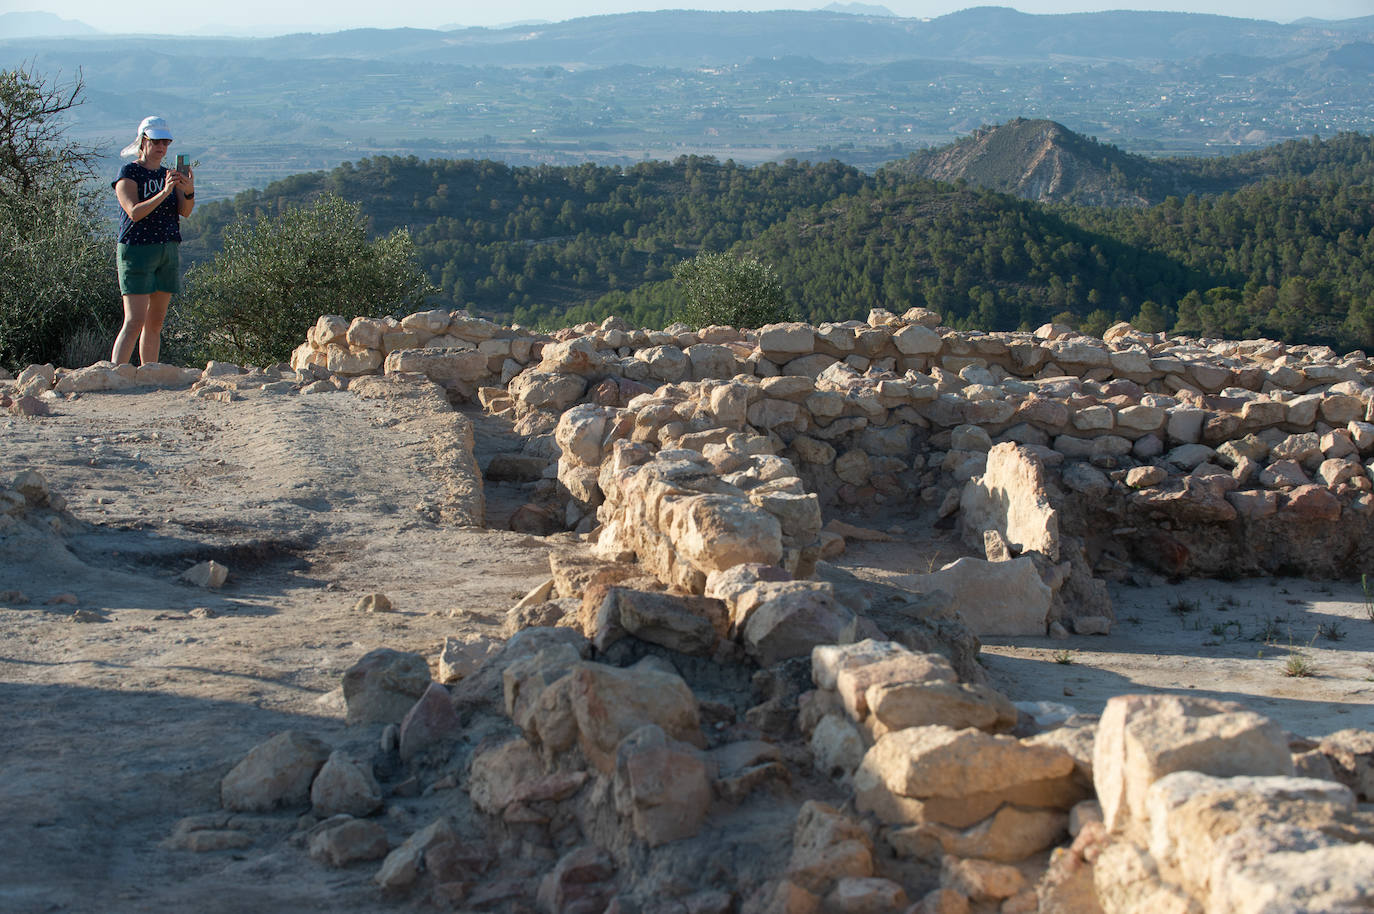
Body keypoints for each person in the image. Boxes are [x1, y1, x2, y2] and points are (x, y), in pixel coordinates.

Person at [110, 115, 195, 365]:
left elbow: (185, 211)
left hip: (166, 248)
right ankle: (118, 373)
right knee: (134, 320)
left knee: (155, 321)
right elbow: (134, 212)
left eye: (166, 142)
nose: (161, 147)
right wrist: (165, 192)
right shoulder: (128, 172)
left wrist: (187, 189)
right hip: (137, 250)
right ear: (143, 141)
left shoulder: (168, 174)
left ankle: (150, 372)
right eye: (157, 141)